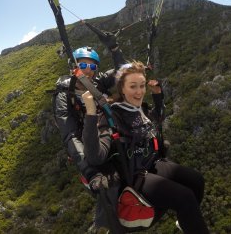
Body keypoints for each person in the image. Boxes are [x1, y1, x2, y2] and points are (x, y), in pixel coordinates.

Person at [82, 61, 209, 234]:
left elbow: (156, 121)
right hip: (136, 175)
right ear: (122, 89)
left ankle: (186, 221)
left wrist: (158, 95)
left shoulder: (141, 109)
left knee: (197, 181)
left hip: (153, 163)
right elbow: (96, 156)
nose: (139, 91)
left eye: (142, 86)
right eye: (133, 86)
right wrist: (90, 114)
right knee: (185, 197)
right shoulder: (113, 116)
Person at [53, 43, 126, 230]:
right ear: (74, 67)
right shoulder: (64, 94)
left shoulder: (98, 83)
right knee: (108, 185)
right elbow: (70, 134)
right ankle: (106, 226)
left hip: (109, 136)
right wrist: (89, 171)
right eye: (83, 65)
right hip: (87, 147)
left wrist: (115, 50)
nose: (88, 70)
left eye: (92, 66)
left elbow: (122, 72)